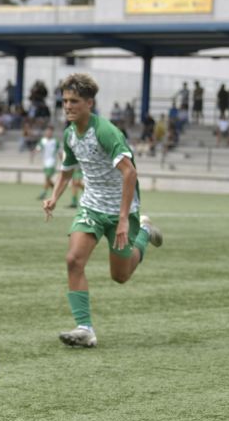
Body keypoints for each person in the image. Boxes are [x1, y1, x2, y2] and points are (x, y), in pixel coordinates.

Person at [42, 73, 163, 348]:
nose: (68, 106)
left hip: (122, 210)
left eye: (74, 101)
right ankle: (85, 328)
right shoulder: (70, 133)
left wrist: (123, 221)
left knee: (120, 276)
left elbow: (129, 174)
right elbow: (66, 170)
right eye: (64, 101)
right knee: (73, 260)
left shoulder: (106, 131)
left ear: (89, 103)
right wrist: (54, 197)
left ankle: (143, 230)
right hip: (91, 207)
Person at [35, 125, 60, 200]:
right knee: (48, 179)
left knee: (47, 177)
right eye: (47, 131)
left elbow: (59, 152)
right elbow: (38, 148)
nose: (48, 133)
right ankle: (56, 191)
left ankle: (43, 193)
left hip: (52, 162)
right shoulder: (43, 140)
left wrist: (62, 160)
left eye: (50, 131)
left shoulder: (55, 141)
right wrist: (35, 151)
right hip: (45, 162)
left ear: (52, 132)